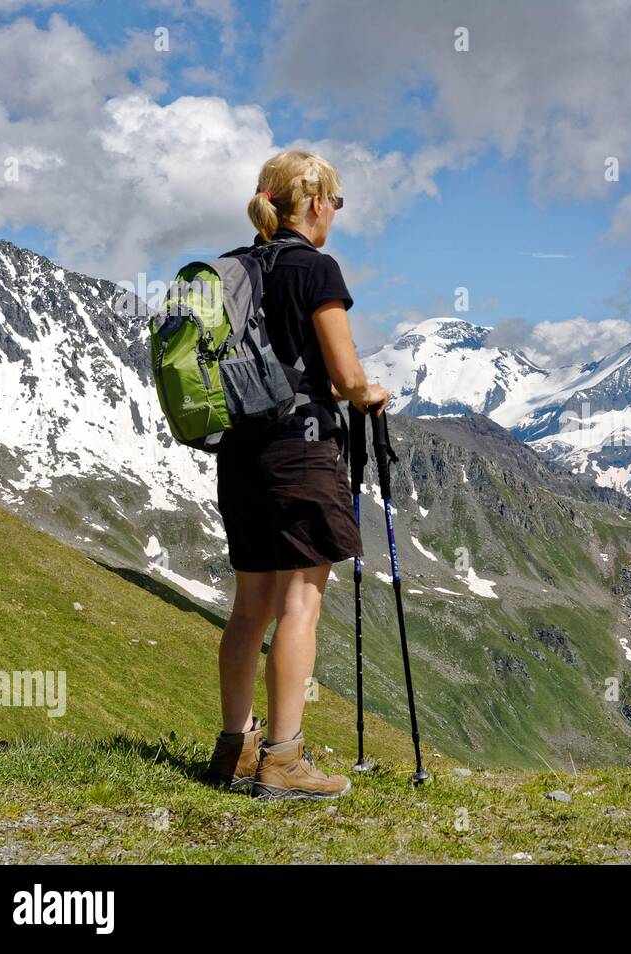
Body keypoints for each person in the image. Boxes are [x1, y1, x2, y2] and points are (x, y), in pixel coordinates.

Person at [206, 150, 390, 800]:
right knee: (300, 605)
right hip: (300, 452)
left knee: (249, 607)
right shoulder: (316, 269)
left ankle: (236, 747)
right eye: (334, 203)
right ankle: (283, 760)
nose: (335, 214)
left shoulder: (236, 268)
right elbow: (344, 377)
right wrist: (370, 393)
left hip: (239, 452)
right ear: (314, 203)